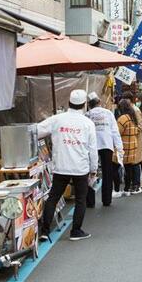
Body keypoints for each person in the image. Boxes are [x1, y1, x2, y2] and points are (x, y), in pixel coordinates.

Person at [37, 89, 97, 241]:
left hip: (61, 166)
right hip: (80, 167)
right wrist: (93, 170)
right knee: (80, 200)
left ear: (69, 103)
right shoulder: (88, 123)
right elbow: (92, 150)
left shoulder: (57, 119)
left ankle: (44, 231)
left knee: (53, 197)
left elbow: (36, 131)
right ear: (84, 105)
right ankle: (76, 231)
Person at [85, 92, 123, 207]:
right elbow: (114, 131)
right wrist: (119, 147)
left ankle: (90, 201)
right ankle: (107, 200)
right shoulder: (108, 113)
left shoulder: (87, 115)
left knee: (91, 172)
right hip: (107, 144)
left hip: (91, 146)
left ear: (89, 104)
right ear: (99, 102)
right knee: (107, 172)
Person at [116, 98, 142, 196]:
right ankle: (129, 188)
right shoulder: (132, 116)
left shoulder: (123, 118)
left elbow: (117, 132)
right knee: (130, 167)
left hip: (125, 145)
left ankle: (124, 188)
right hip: (133, 144)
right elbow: (137, 129)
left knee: (120, 167)